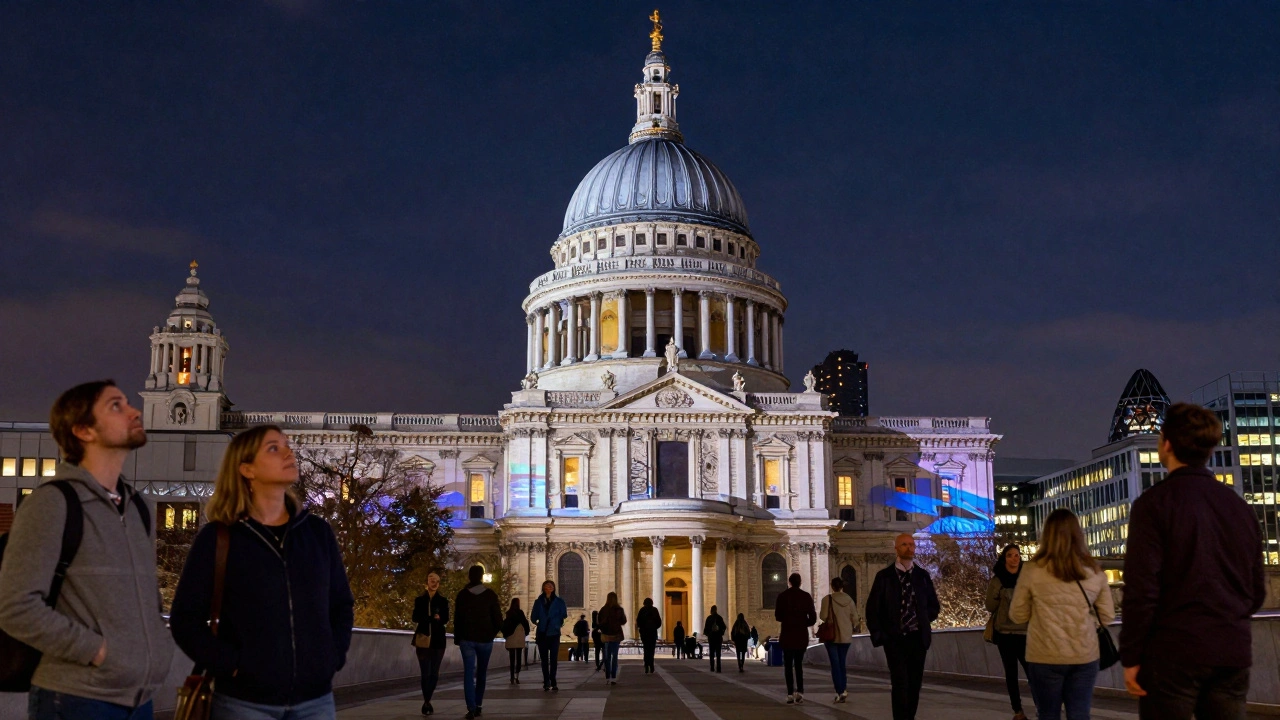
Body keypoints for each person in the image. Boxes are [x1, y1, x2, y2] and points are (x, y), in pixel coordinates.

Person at [0, 381, 175, 720]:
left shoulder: (140, 508)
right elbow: (14, 606)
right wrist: (98, 652)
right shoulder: (52, 503)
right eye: (115, 406)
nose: (134, 410)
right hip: (77, 699)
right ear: (83, 430)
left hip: (139, 699)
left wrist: (157, 651)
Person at [170, 424, 354, 720]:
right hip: (244, 703)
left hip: (316, 701)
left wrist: (331, 659)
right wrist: (233, 665)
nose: (288, 452)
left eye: (286, 445)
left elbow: (341, 605)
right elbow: (184, 619)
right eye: (273, 448)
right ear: (246, 469)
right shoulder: (219, 538)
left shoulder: (317, 533)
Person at [1120, 403, 1267, 720]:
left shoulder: (1154, 504)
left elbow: (1142, 590)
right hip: (1231, 651)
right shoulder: (1239, 507)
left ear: (1167, 444)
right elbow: (1256, 590)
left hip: (1172, 654)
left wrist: (1132, 656)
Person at [1009, 509, 1115, 720]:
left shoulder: (1032, 570)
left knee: (1048, 714)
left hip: (1044, 655)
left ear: (1046, 535)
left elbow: (1017, 615)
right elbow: (1108, 616)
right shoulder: (1094, 571)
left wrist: (1041, 613)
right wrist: (1085, 619)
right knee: (1079, 714)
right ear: (1078, 535)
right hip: (1084, 655)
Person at [867, 533, 940, 720]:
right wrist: (881, 635)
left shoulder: (922, 576)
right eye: (905, 544)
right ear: (897, 549)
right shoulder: (884, 577)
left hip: (917, 638)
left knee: (915, 684)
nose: (909, 547)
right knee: (900, 683)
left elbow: (934, 606)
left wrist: (922, 621)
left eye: (912, 544)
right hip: (895, 639)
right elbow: (873, 609)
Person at [453, 565, 503, 720]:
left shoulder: (462, 595)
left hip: (467, 639)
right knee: (481, 673)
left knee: (468, 673)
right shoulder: (490, 595)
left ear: (469, 576)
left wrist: (458, 638)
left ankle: (471, 707)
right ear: (482, 577)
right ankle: (479, 704)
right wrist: (491, 634)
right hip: (485, 640)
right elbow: (498, 619)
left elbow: (457, 619)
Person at [986, 544, 1029, 720]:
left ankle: (1042, 706)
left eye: (1017, 555)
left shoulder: (1028, 578)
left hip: (1025, 632)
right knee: (1012, 674)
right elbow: (990, 606)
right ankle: (1018, 710)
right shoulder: (997, 581)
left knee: (1033, 672)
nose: (1014, 558)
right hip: (1006, 634)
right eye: (1010, 555)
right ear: (1004, 558)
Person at [774, 572, 817, 705]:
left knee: (788, 665)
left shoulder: (782, 596)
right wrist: (804, 623)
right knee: (798, 665)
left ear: (790, 582)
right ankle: (800, 691)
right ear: (800, 582)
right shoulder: (806, 596)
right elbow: (813, 618)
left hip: (787, 634)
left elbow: (778, 616)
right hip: (801, 635)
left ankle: (789, 693)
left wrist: (788, 620)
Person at [413, 571, 450, 715]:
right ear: (427, 583)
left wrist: (439, 618)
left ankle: (427, 701)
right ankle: (427, 701)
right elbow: (415, 617)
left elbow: (445, 619)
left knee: (434, 673)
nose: (433, 582)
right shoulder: (420, 600)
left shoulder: (443, 601)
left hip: (438, 640)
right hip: (423, 638)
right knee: (425, 673)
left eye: (436, 580)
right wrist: (430, 618)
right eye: (431, 580)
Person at [820, 576, 860, 703]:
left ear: (832, 586)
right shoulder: (849, 599)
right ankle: (844, 688)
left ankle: (839, 691)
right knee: (842, 664)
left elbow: (823, 616)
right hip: (846, 636)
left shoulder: (827, 599)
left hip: (832, 636)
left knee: (835, 665)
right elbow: (855, 618)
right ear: (842, 587)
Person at [530, 580, 567, 692]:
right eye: (547, 585)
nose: (549, 587)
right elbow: (533, 617)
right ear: (543, 588)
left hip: (554, 632)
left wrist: (556, 622)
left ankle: (553, 680)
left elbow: (564, 614)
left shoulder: (559, 601)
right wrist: (540, 623)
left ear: (554, 588)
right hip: (543, 633)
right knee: (544, 659)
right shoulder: (538, 602)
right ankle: (546, 681)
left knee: (554, 659)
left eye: (551, 586)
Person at [597, 591, 627, 684]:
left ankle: (607, 677)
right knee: (614, 657)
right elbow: (623, 621)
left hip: (606, 635)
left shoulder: (603, 609)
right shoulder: (619, 609)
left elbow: (599, 622)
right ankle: (613, 676)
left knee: (607, 657)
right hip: (616, 635)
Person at [501, 598, 530, 685]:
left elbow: (504, 626)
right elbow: (525, 623)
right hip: (519, 637)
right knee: (519, 658)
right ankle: (517, 676)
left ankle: (511, 676)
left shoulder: (508, 613)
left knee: (512, 659)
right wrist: (526, 632)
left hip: (510, 638)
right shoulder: (520, 613)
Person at [635, 598, 662, 674]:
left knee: (646, 649)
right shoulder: (654, 610)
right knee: (651, 650)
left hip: (644, 634)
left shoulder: (642, 610)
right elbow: (659, 622)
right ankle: (651, 664)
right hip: (652, 633)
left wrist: (642, 628)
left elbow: (638, 621)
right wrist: (653, 627)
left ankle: (646, 665)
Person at [703, 605, 727, 673]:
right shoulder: (719, 618)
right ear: (716, 610)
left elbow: (705, 629)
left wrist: (708, 634)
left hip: (711, 638)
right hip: (718, 638)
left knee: (712, 653)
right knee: (718, 654)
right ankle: (718, 668)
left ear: (711, 610)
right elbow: (724, 627)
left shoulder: (709, 618)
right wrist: (721, 633)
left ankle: (712, 667)